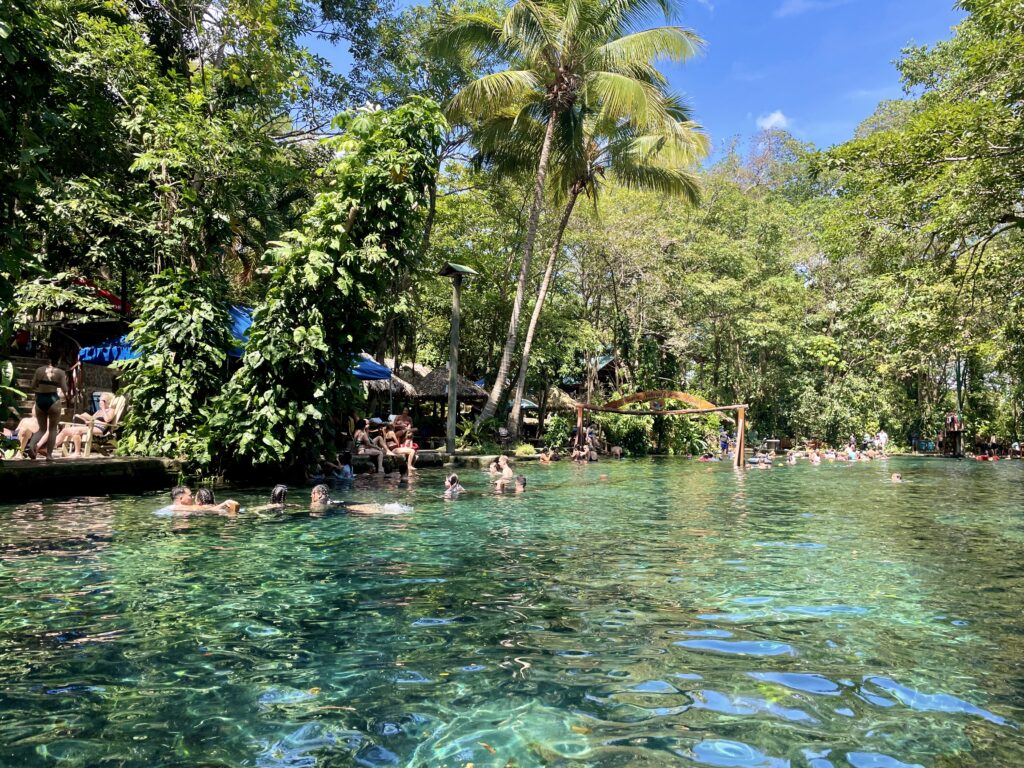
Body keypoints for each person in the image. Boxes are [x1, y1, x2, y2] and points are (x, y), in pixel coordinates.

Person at [26, 352, 67, 460]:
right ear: (58, 361)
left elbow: (32, 386)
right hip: (53, 400)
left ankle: (31, 446)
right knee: (52, 429)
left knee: (42, 429)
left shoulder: (39, 370)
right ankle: (49, 455)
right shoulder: (60, 372)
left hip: (40, 400)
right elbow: (65, 389)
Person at [54, 392, 117, 457]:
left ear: (108, 401)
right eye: (99, 400)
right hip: (92, 426)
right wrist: (84, 418)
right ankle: (51, 447)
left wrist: (103, 409)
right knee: (66, 430)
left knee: (76, 431)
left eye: (102, 401)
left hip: (100, 430)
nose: (100, 403)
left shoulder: (111, 410)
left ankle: (77, 453)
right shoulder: (98, 411)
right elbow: (92, 419)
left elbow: (107, 420)